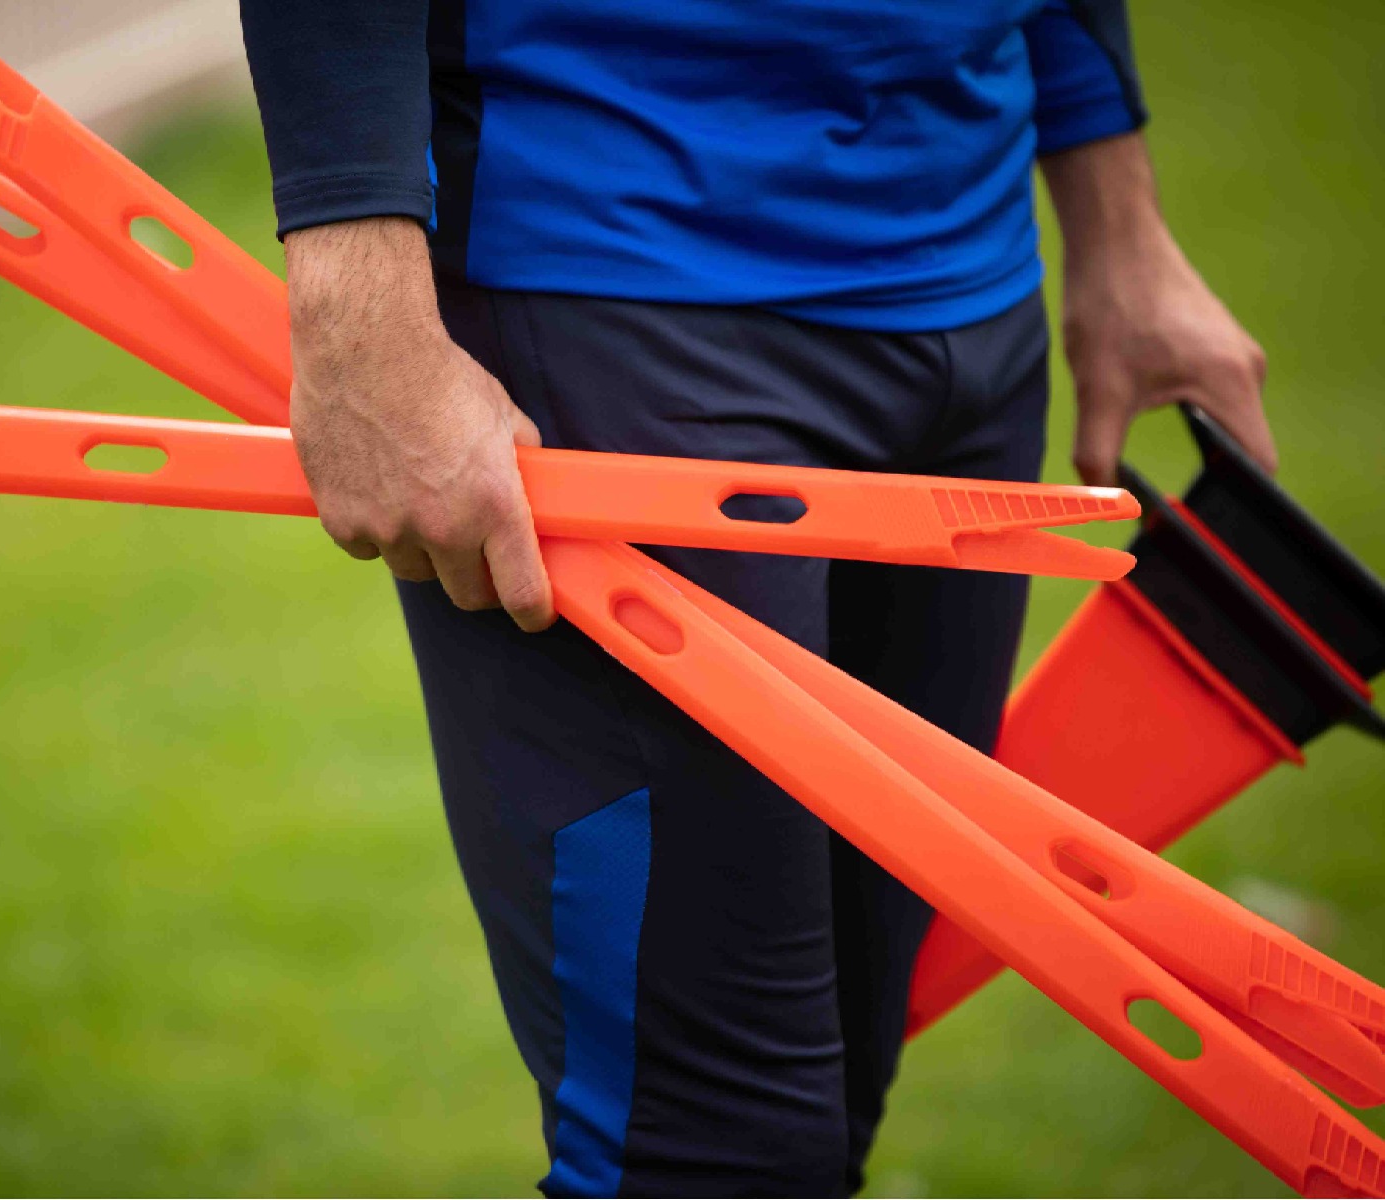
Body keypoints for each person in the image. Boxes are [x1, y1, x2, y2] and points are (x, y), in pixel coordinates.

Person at [237, 3, 1274, 1195]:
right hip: (611, 283)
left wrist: (1118, 226)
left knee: (833, 1100)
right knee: (711, 1153)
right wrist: (356, 306)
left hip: (970, 293)